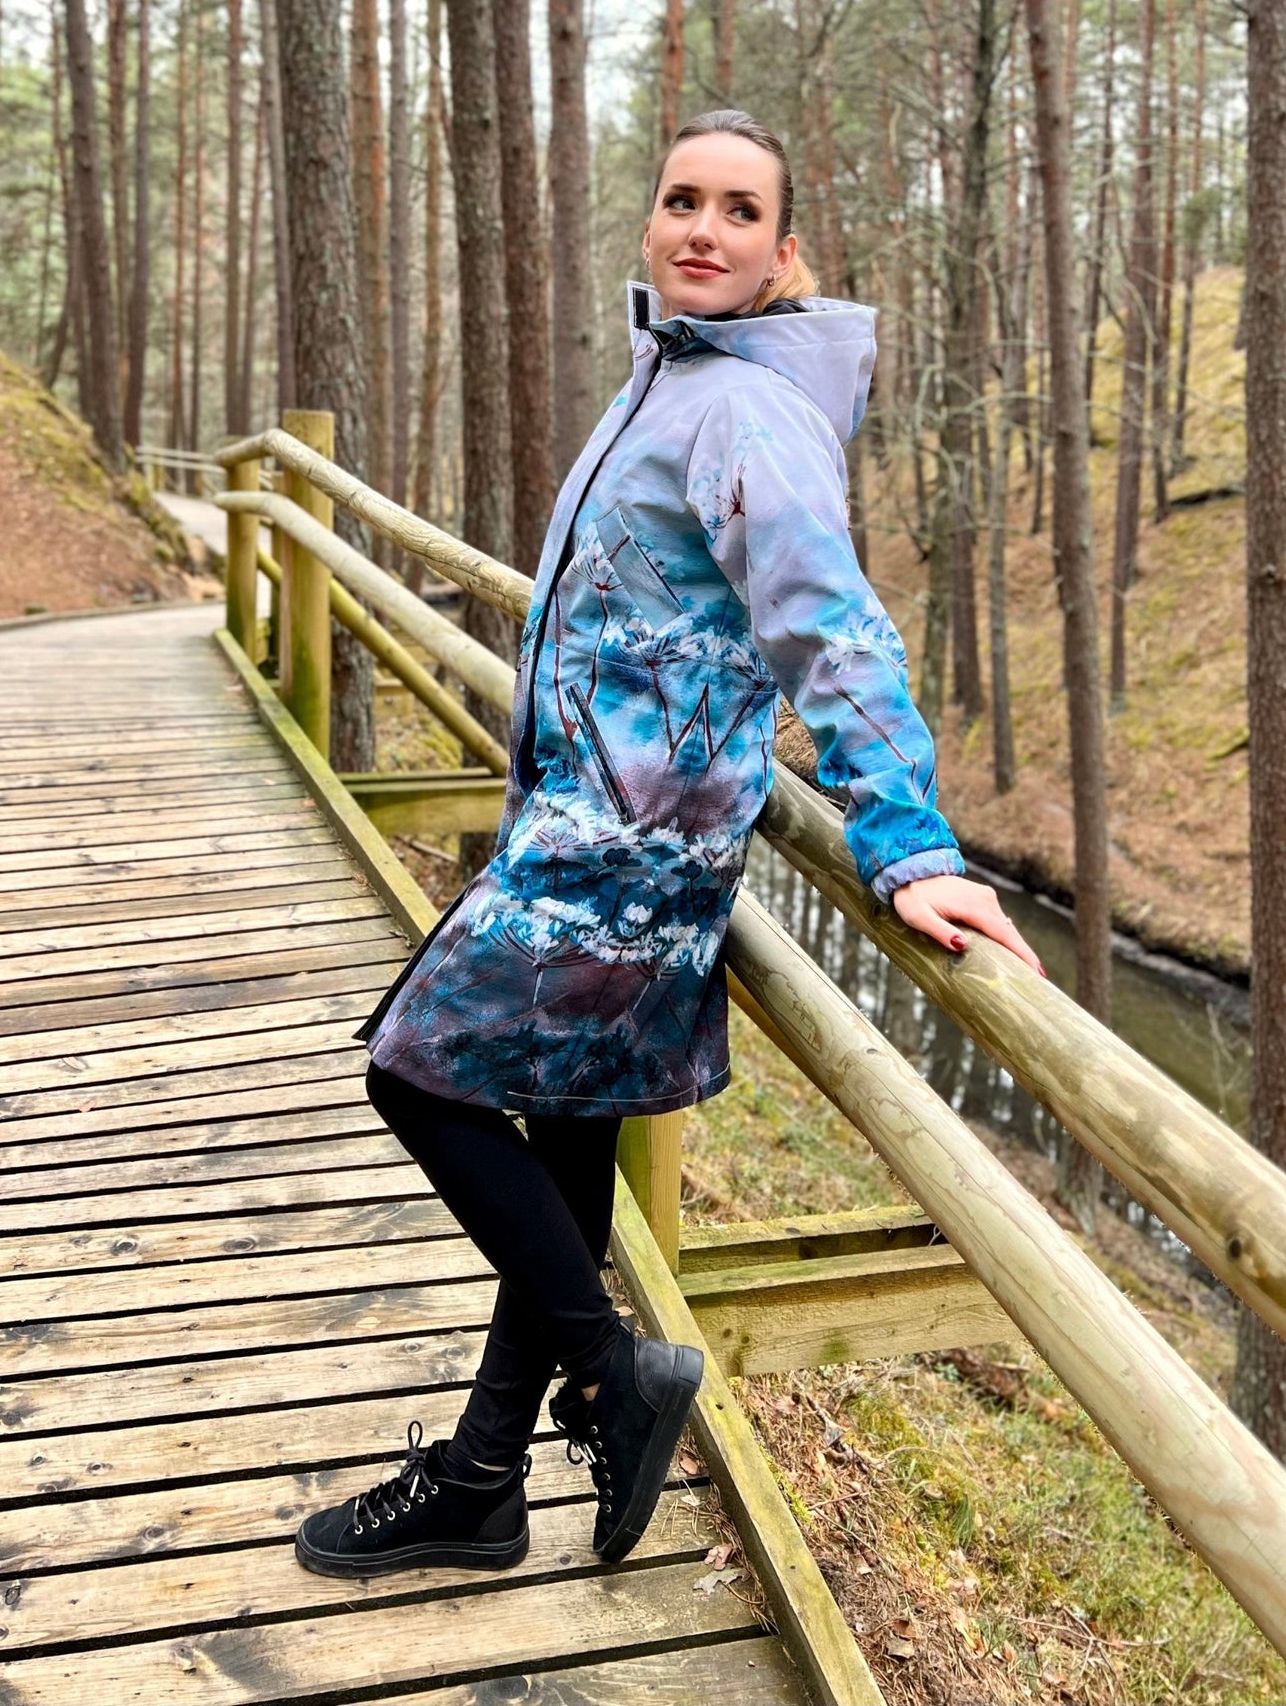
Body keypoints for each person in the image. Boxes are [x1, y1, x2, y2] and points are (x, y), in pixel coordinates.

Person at [294, 107, 1045, 1582]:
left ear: (780, 253)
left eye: (738, 211)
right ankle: (483, 1481)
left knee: (412, 1071)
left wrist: (909, 844)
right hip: (587, 823)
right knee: (565, 1134)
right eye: (682, 199)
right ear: (651, 223)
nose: (703, 227)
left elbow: (831, 629)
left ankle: (611, 1376)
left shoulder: (746, 409)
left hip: (629, 852)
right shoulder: (673, 378)